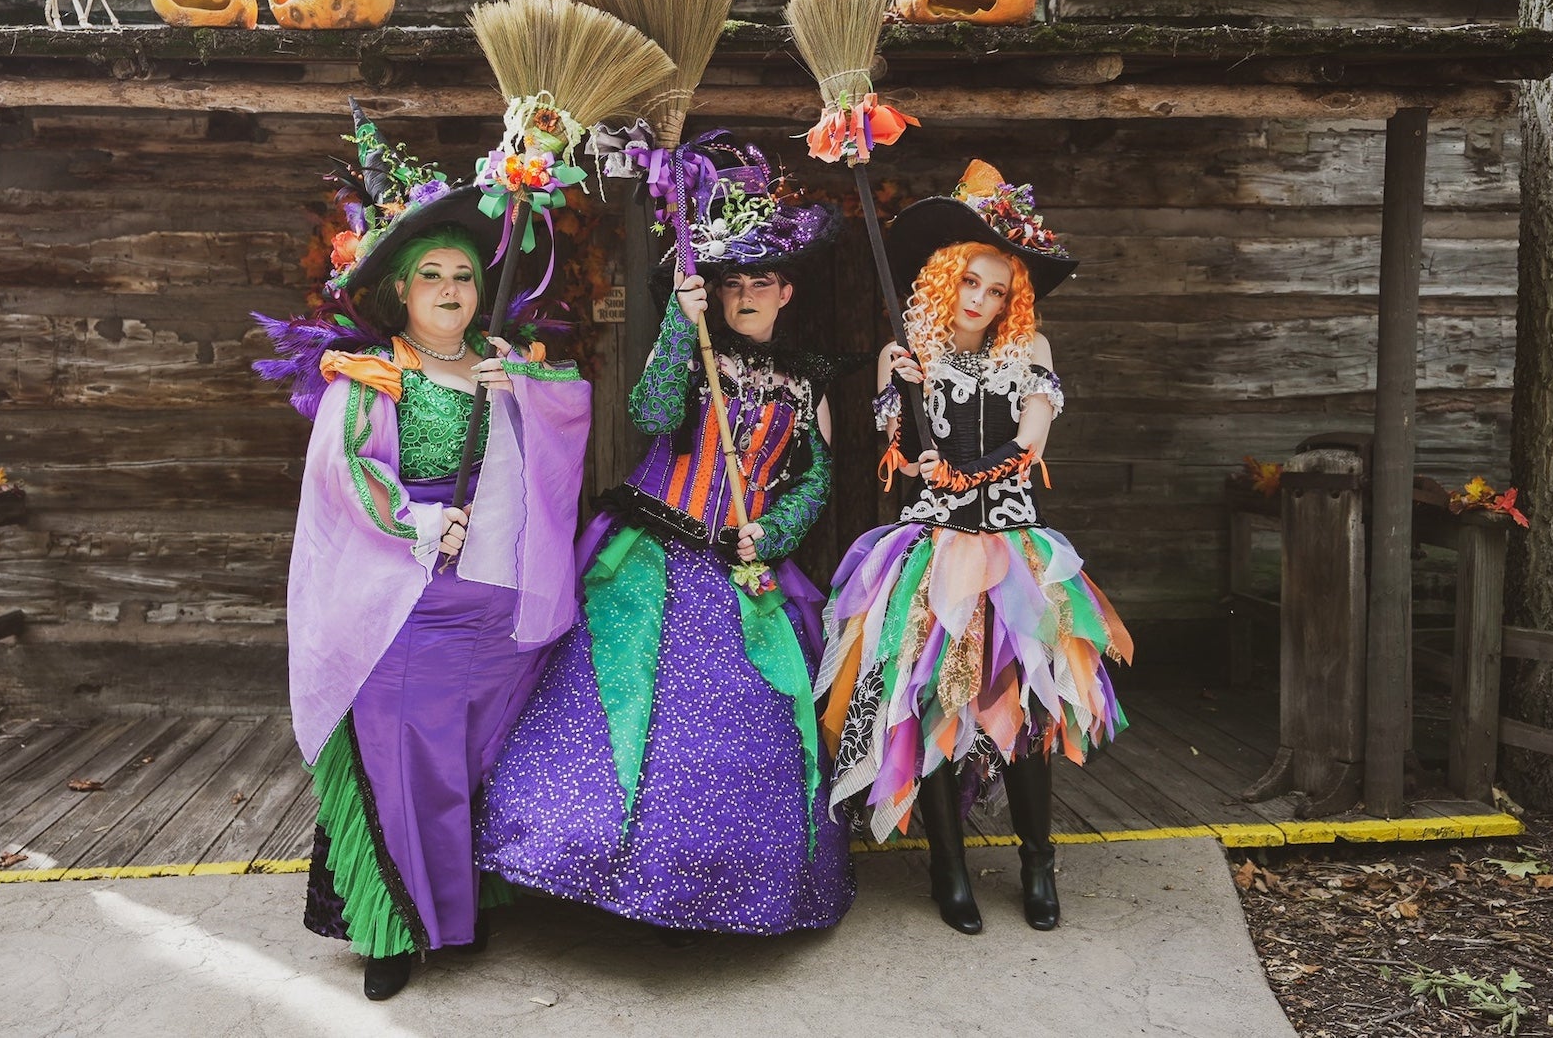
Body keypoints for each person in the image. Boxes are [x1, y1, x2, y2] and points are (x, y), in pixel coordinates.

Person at [475, 132, 854, 939]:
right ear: (712, 293)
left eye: (761, 281)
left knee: (749, 717)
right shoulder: (687, 348)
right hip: (647, 554)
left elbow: (816, 479)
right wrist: (680, 331)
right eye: (732, 284)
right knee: (615, 704)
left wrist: (774, 529)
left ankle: (718, 885)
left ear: (785, 291)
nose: (746, 294)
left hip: (737, 566)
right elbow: (648, 417)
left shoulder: (806, 382)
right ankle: (589, 870)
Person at [253, 110, 591, 1000]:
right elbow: (346, 473)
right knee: (406, 764)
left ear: (483, 292)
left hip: (500, 612)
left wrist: (518, 385)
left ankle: (460, 909)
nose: (449, 288)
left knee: (469, 765)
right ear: (402, 292)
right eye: (431, 275)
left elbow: (568, 432)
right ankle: (393, 929)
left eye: (464, 277)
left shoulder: (508, 366)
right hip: (410, 608)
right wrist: (411, 523)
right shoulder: (373, 377)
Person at [816, 160, 1133, 935]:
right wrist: (907, 413)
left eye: (999, 290)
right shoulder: (909, 355)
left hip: (1014, 554)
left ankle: (1036, 861)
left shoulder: (1034, 353)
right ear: (947, 279)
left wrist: (969, 474)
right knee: (932, 706)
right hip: (933, 551)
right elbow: (894, 445)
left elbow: (1030, 440)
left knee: (1022, 709)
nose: (983, 302)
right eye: (972, 285)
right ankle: (949, 869)